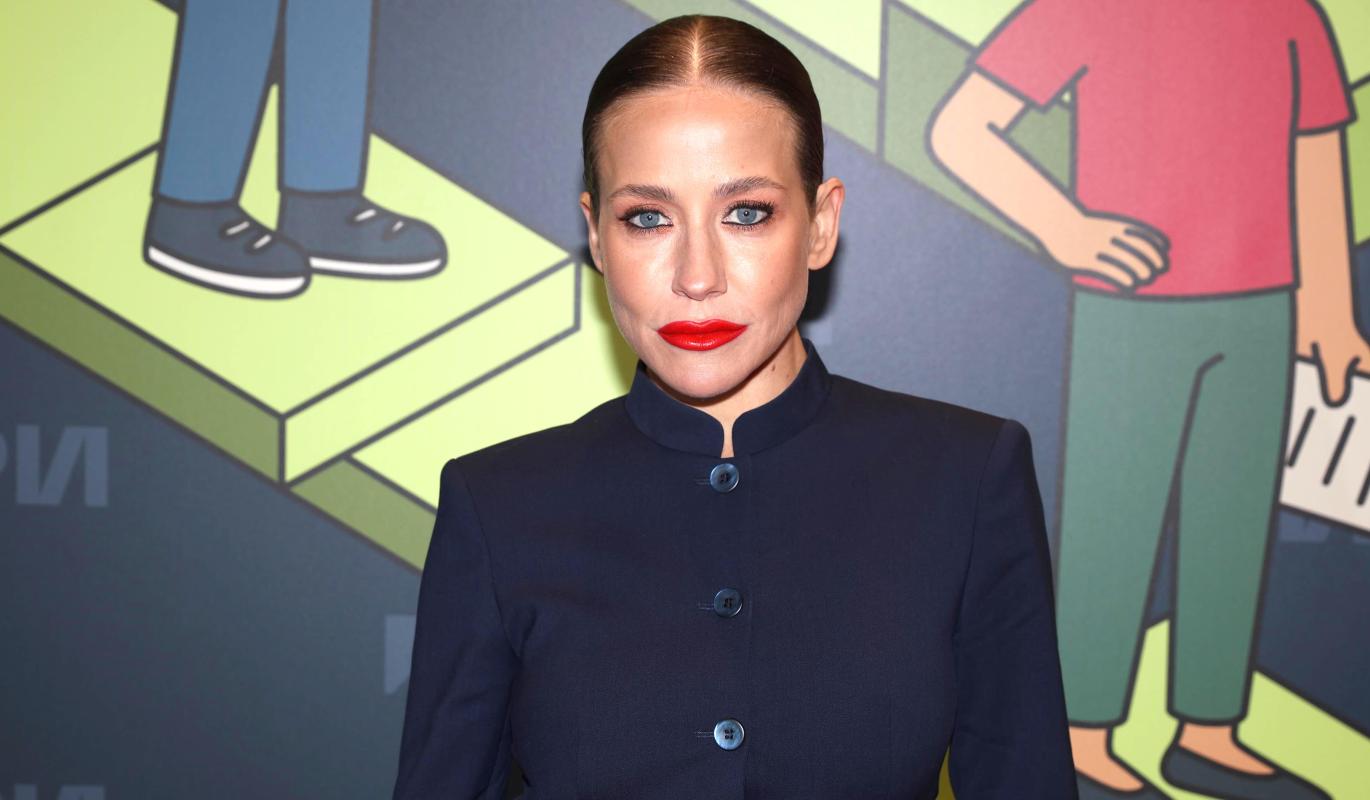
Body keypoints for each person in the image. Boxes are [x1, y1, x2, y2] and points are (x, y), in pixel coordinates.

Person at [392, 14, 1076, 799]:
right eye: (647, 218)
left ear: (821, 225)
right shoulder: (498, 505)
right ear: (596, 236)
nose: (697, 275)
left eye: (746, 212)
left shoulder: (965, 478)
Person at [929, 1, 1356, 798]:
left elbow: (1316, 156)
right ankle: (1085, 732)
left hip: (1264, 308)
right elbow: (963, 128)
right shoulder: (1086, 11)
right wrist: (1067, 228)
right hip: (1131, 308)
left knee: (1233, 521)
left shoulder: (1290, 14)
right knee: (1112, 524)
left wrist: (1331, 308)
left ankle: (1209, 730)